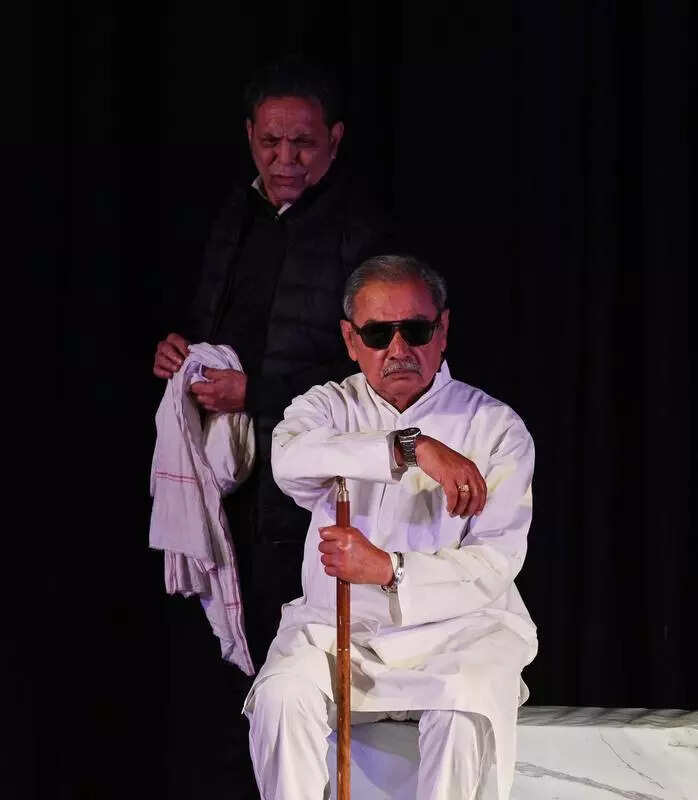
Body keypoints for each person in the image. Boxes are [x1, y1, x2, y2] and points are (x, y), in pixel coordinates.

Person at [245, 255, 537, 800]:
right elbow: (289, 459)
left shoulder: (495, 428)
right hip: (338, 631)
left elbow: (495, 561)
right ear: (350, 340)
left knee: (465, 708)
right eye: (378, 334)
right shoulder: (328, 407)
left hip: (459, 633)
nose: (398, 349)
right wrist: (411, 448)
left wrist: (388, 569)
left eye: (416, 330)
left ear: (442, 330)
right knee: (281, 696)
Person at [152, 59, 395, 668]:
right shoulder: (235, 215)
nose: (285, 159)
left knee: (294, 647)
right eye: (270, 142)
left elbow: (379, 368)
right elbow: (214, 327)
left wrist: (255, 393)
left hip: (303, 486)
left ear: (334, 139)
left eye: (303, 143)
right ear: (249, 136)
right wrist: (182, 353)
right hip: (227, 473)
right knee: (224, 649)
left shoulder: (362, 229)